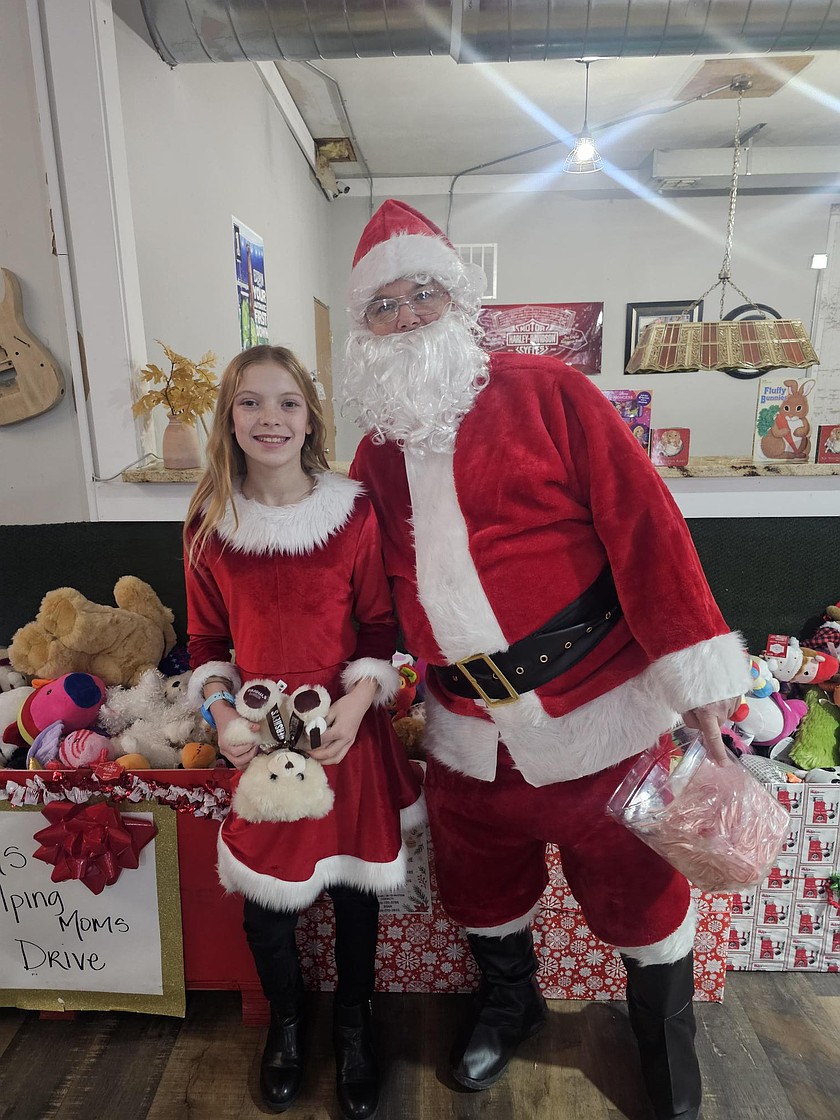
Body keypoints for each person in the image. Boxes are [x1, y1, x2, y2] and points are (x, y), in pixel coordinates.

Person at [340, 200, 751, 1120]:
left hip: (602, 712)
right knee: (483, 890)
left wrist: (700, 691)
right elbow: (365, 589)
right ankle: (510, 1003)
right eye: (384, 306)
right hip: (466, 737)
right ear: (363, 330)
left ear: (460, 303)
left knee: (643, 898)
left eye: (423, 295)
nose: (406, 317)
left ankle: (664, 1046)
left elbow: (650, 534)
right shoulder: (374, 452)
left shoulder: (550, 394)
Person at [183, 344, 424, 1118]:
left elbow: (380, 627)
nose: (270, 418)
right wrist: (221, 717)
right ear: (229, 418)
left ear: (310, 416)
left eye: (287, 402)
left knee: (354, 894)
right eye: (251, 402)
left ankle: (354, 1026)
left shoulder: (353, 511)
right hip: (259, 743)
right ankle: (287, 1028)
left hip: (342, 735)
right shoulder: (209, 521)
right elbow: (205, 647)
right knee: (266, 904)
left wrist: (358, 707)